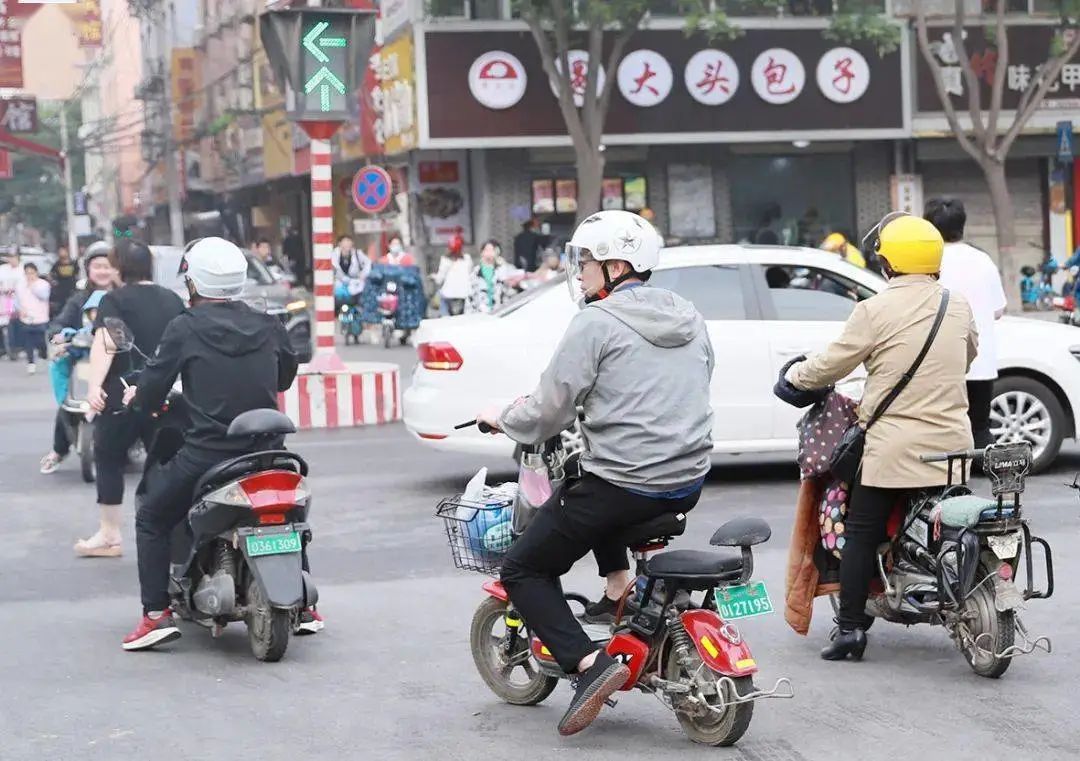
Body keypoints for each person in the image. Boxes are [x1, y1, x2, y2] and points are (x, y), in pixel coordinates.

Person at [476, 210, 714, 736]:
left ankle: (588, 664)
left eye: (585, 261)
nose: (580, 272)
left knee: (523, 568)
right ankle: (618, 585)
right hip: (687, 479)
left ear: (615, 265)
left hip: (625, 484)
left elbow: (546, 412)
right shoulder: (687, 314)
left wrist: (503, 417)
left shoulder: (595, 322)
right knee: (587, 483)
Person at [783, 213, 977, 662]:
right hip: (952, 448)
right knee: (944, 521)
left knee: (861, 531)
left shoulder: (874, 309)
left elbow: (831, 365)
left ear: (888, 262)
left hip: (892, 451)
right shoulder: (957, 304)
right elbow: (966, 356)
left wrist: (794, 375)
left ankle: (850, 628)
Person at [117, 237, 307, 651]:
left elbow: (152, 388)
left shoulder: (185, 328)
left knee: (150, 515)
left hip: (209, 455)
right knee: (289, 516)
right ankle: (307, 609)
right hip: (268, 453)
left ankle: (155, 615)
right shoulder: (269, 323)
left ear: (193, 282)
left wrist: (139, 398)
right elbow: (285, 377)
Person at [77, 241, 185, 559]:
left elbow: (106, 342)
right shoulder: (172, 299)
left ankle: (110, 535)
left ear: (120, 268)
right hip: (166, 392)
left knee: (108, 456)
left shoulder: (115, 300)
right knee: (166, 462)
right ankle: (175, 531)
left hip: (123, 393)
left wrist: (94, 386)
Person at [925, 197, 1007, 449]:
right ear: (963, 224)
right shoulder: (983, 260)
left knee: (940, 432)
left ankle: (950, 481)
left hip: (939, 364)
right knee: (979, 429)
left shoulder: (928, 261)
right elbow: (998, 310)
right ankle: (995, 481)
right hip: (981, 362)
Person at [39, 243, 118, 474]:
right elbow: (59, 325)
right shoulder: (78, 299)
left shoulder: (124, 296)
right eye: (97, 266)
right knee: (70, 403)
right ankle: (58, 450)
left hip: (122, 363)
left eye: (108, 266)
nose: (103, 271)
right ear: (88, 269)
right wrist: (58, 338)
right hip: (86, 363)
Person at [14, 262, 50, 374]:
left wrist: (32, 287)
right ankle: (31, 363)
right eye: (27, 273)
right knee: (28, 341)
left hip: (41, 317)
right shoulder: (20, 285)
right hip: (26, 318)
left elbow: (44, 296)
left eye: (32, 273)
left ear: (36, 273)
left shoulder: (43, 284)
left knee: (41, 341)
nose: (29, 276)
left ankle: (43, 353)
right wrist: (20, 310)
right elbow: (16, 301)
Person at [467, 240, 514, 314]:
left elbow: (508, 290)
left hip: (499, 312)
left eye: (492, 250)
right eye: (487, 250)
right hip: (480, 313)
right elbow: (470, 296)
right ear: (482, 252)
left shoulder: (501, 269)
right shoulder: (475, 272)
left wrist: (503, 264)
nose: (489, 252)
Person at [433, 233, 471, 316]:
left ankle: (445, 319)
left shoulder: (445, 260)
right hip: (464, 294)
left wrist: (433, 277)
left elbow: (439, 280)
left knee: (440, 296)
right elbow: (470, 273)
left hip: (448, 295)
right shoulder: (467, 259)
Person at [331, 234, 371, 309]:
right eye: (345, 241)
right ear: (340, 243)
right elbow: (334, 269)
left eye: (349, 241)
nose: (348, 244)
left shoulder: (357, 253)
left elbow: (368, 263)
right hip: (340, 283)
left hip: (355, 283)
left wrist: (363, 275)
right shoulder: (334, 254)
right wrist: (344, 279)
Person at [0, 249, 20, 359]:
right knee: (3, 325)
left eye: (13, 257)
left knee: (14, 324)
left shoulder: (22, 270)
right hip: (3, 300)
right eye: (9, 257)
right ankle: (2, 348)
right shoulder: (3, 269)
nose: (11, 259)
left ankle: (16, 348)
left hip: (17, 301)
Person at [49, 245, 78, 318]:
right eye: (60, 252)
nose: (62, 253)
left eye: (63, 251)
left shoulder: (73, 263)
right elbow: (51, 275)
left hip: (72, 289)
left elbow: (77, 274)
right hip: (61, 291)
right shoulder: (57, 264)